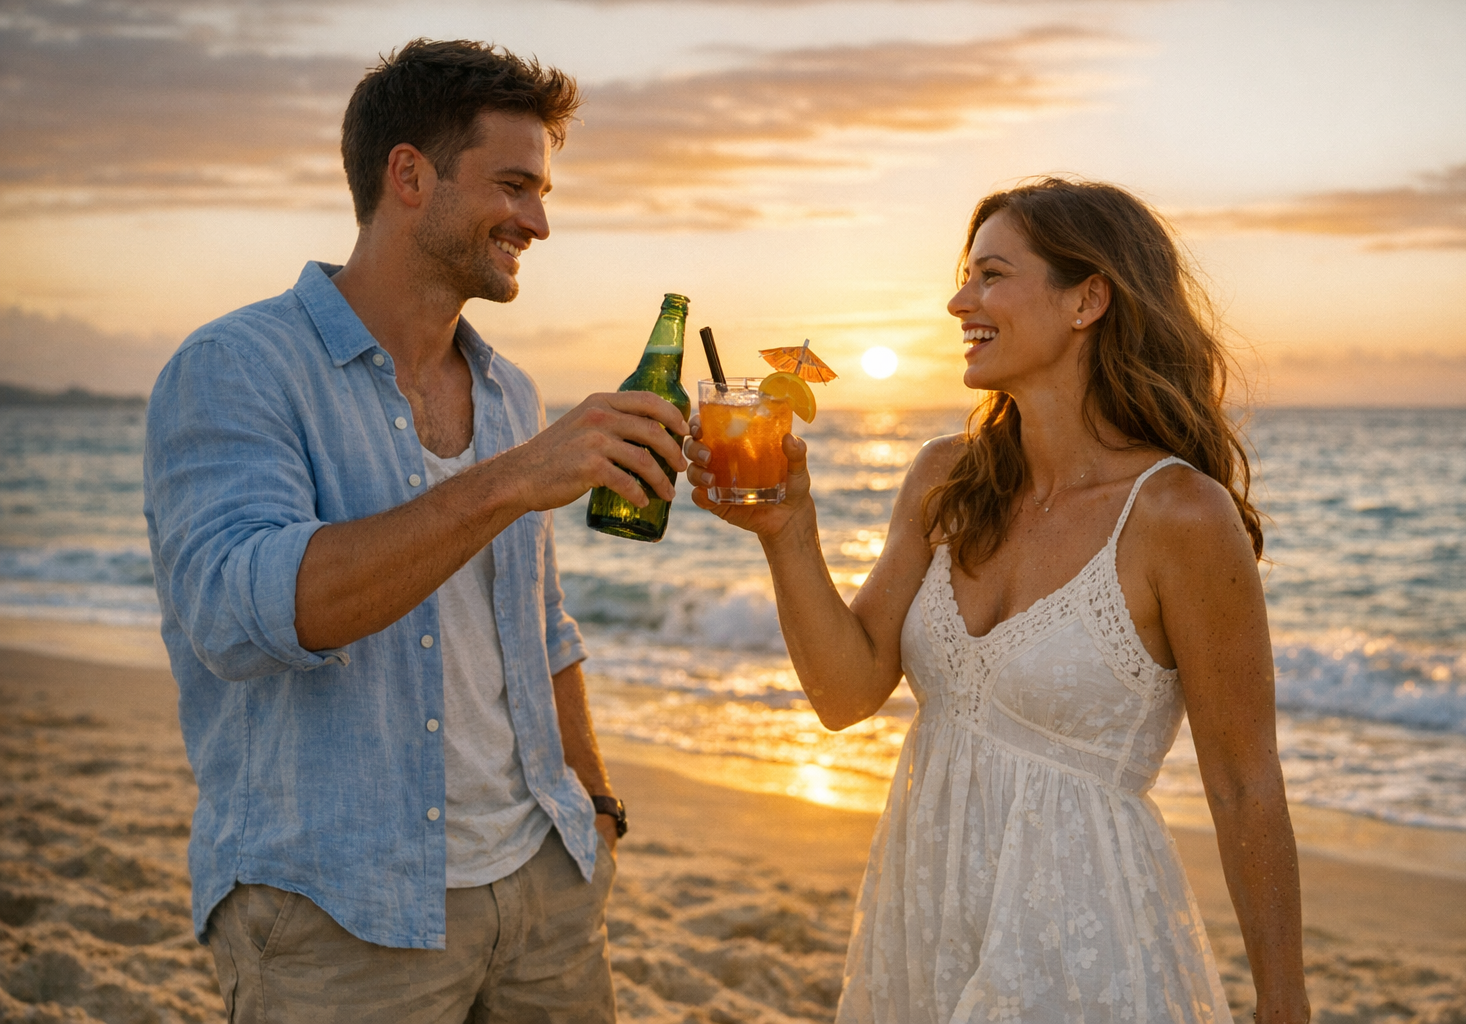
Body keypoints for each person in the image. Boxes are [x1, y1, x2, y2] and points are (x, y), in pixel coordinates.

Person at [143, 39, 687, 1022]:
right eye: (513, 186)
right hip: (338, 910)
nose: (539, 222)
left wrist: (595, 806)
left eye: (542, 192)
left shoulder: (510, 392)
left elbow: (542, 626)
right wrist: (513, 479)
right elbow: (242, 615)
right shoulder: (235, 367)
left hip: (544, 886)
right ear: (408, 176)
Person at [685, 178, 1309, 1023]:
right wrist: (788, 531)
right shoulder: (944, 477)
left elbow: (1243, 783)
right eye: (965, 277)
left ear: (1087, 300)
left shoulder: (1178, 515)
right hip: (927, 908)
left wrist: (1283, 1001)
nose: (959, 302)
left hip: (1081, 935)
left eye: (992, 276)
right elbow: (844, 694)